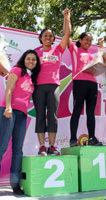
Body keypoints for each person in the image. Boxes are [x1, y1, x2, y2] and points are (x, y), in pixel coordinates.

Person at [0, 50, 41, 196]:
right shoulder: (17, 70)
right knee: (2, 145)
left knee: (18, 150)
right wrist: (9, 107)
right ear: (24, 59)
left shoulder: (32, 79)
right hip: (9, 111)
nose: (31, 61)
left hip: (22, 115)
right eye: (29, 58)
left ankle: (15, 185)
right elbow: (9, 89)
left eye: (34, 60)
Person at [33, 8, 71, 155]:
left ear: (53, 39)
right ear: (41, 38)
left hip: (54, 86)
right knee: (41, 115)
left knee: (53, 117)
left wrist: (66, 18)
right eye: (45, 35)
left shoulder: (57, 51)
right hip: (39, 87)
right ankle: (42, 146)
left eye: (50, 36)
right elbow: (27, 65)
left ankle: (52, 146)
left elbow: (67, 34)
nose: (48, 38)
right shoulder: (35, 52)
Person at [68, 32, 106, 147]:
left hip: (92, 84)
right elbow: (67, 36)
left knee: (90, 112)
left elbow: (105, 61)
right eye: (86, 39)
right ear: (80, 40)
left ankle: (92, 137)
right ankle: (72, 139)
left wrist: (101, 44)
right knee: (77, 110)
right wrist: (67, 19)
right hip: (79, 82)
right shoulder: (75, 50)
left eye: (90, 40)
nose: (88, 42)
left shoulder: (92, 55)